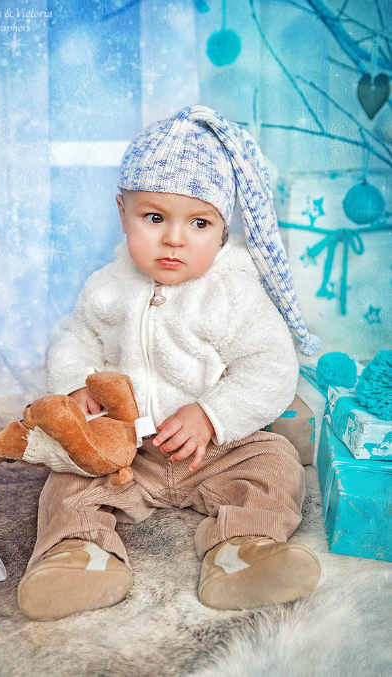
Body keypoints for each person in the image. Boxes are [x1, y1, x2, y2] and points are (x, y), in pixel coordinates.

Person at [17, 105, 322, 622]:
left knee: (276, 463)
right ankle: (79, 555)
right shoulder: (107, 286)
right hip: (127, 453)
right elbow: (76, 337)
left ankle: (243, 549)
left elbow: (269, 366)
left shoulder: (234, 293)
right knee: (66, 478)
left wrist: (212, 414)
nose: (174, 239)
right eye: (154, 218)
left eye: (199, 223)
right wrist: (76, 388)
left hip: (219, 451)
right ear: (123, 212)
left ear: (222, 229)